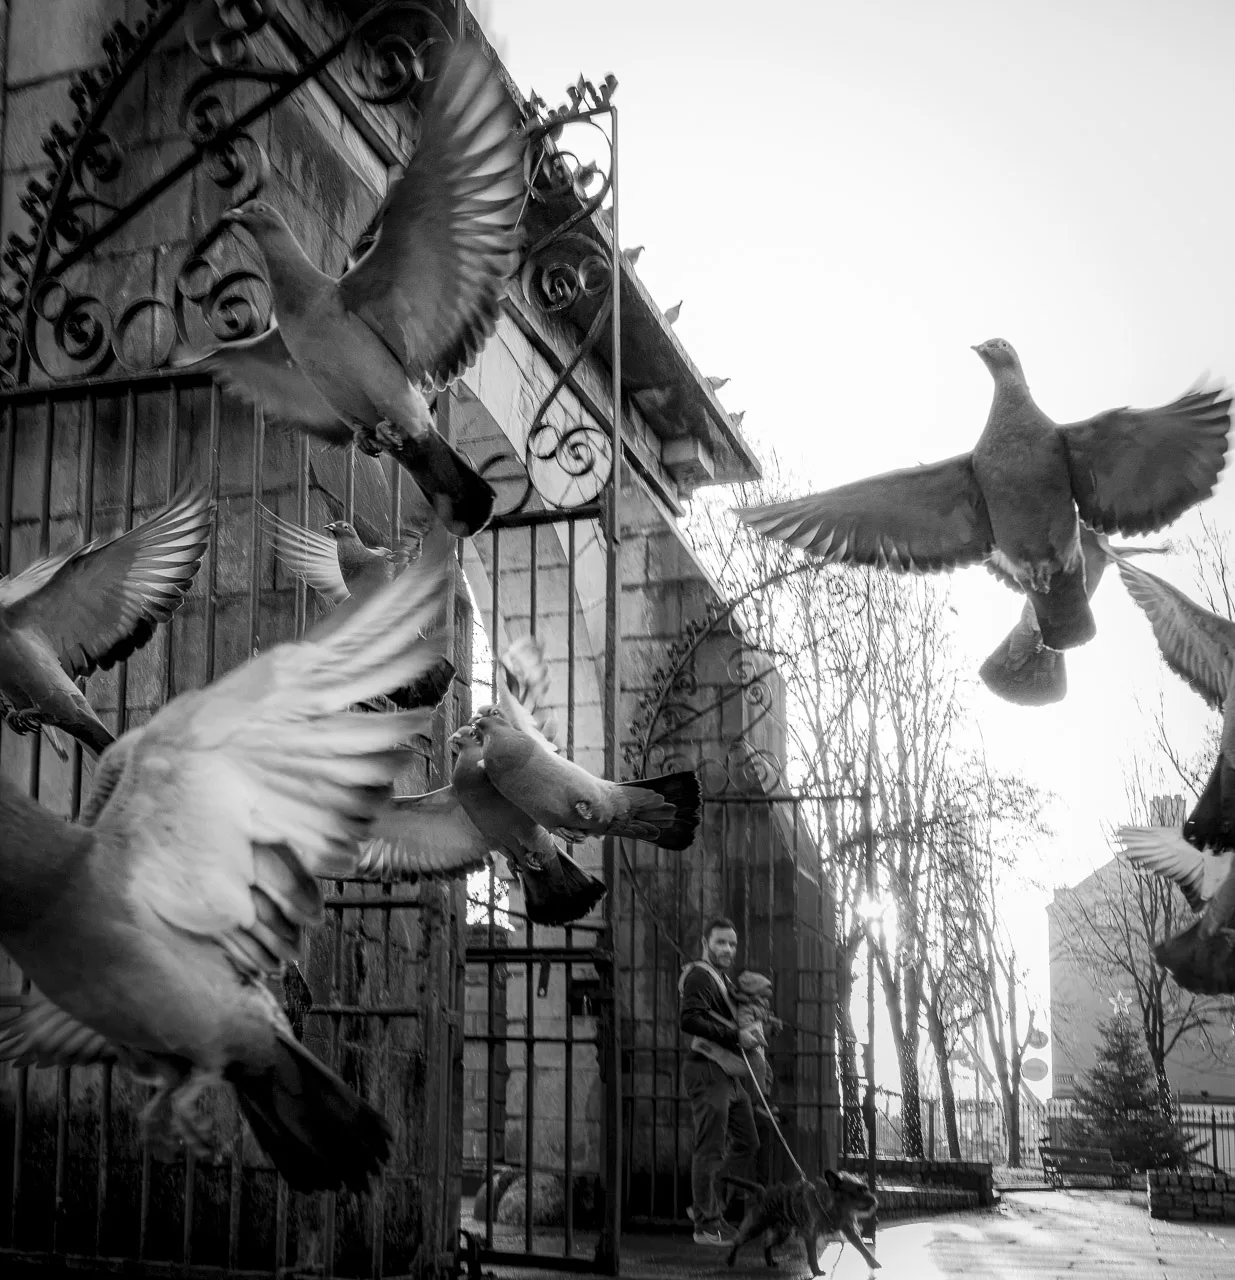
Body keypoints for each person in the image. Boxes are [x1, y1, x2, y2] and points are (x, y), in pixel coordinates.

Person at [679, 917, 762, 1247]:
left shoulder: (722, 979)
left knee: (747, 1141)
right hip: (707, 1070)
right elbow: (689, 1019)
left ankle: (706, 1204)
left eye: (732, 944)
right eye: (720, 942)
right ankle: (706, 1225)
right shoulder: (700, 974)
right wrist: (736, 1035)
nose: (727, 949)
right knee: (709, 1148)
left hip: (727, 1074)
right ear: (705, 943)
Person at [732, 969, 782, 1118]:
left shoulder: (761, 1005)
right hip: (749, 1045)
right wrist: (765, 1026)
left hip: (758, 1045)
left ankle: (763, 1099)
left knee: (768, 1072)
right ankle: (761, 1099)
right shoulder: (746, 1006)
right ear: (756, 991)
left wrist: (772, 1027)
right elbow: (745, 1026)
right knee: (759, 1067)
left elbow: (763, 1023)